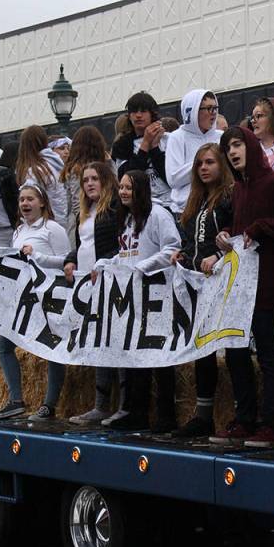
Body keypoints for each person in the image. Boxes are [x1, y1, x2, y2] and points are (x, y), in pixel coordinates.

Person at [212, 127, 274, 447]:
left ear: (252, 147)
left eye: (238, 144)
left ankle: (270, 424)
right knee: (236, 353)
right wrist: (228, 233)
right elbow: (244, 230)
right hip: (242, 285)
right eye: (228, 147)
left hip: (267, 282)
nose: (233, 152)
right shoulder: (239, 190)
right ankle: (244, 419)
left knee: (267, 353)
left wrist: (262, 227)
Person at [91, 171, 182, 431]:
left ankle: (167, 416)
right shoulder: (128, 219)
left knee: (160, 359)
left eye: (128, 187)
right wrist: (105, 263)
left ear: (140, 188)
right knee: (134, 358)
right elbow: (126, 255)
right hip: (132, 298)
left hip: (157, 295)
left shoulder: (158, 215)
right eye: (120, 187)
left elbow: (172, 248)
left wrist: (145, 267)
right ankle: (136, 411)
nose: (123, 192)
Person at [0, 184, 71, 420]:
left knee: (50, 350)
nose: (25, 203)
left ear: (42, 202)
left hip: (48, 298)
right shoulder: (18, 230)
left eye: (30, 199)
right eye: (22, 199)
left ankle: (49, 404)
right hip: (24, 299)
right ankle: (16, 401)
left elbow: (67, 261)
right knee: (3, 346)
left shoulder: (52, 228)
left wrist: (37, 254)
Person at [171, 143, 236, 437]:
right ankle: (204, 414)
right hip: (198, 283)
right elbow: (190, 239)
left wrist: (219, 258)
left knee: (233, 349)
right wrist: (182, 254)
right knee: (202, 348)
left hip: (224, 282)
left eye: (210, 162)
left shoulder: (229, 198)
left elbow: (237, 240)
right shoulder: (195, 201)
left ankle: (240, 414)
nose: (204, 168)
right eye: (199, 164)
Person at [63, 163, 127, 426]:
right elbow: (81, 245)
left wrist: (105, 263)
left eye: (94, 179)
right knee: (99, 343)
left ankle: (124, 405)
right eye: (85, 180)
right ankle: (101, 405)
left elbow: (122, 245)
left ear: (105, 181)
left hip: (111, 283)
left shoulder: (114, 210)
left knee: (117, 344)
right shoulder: (84, 212)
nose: (89, 184)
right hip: (89, 286)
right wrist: (70, 259)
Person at [166, 89, 223, 215]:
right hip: (185, 210)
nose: (213, 113)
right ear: (192, 111)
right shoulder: (177, 137)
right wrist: (205, 160)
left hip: (215, 206)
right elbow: (173, 179)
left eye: (215, 108)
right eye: (208, 108)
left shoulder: (221, 137)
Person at [111, 92, 172, 209]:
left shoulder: (168, 139)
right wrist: (145, 144)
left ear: (152, 114)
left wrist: (154, 148)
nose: (138, 115)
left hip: (169, 203)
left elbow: (171, 177)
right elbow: (126, 177)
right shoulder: (122, 144)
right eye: (134, 111)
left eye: (143, 111)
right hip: (138, 206)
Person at [60, 126, 111, 244]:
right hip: (88, 219)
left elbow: (75, 202)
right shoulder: (78, 169)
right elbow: (78, 203)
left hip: (86, 219)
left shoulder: (75, 169)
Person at [16, 125, 69, 227]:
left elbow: (30, 200)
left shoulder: (35, 171)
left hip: (45, 223)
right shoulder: (54, 163)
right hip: (61, 218)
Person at [250, 96, 274, 170]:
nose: (253, 121)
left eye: (258, 116)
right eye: (252, 117)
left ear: (273, 118)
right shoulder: (251, 150)